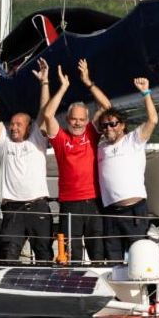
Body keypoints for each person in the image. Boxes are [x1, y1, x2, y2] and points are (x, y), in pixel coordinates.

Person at [40, 59, 112, 263]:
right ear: (68, 120)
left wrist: (88, 82)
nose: (78, 123)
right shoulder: (61, 138)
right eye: (73, 119)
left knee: (98, 253)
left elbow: (107, 106)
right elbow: (47, 113)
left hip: (94, 202)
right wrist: (63, 87)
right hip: (69, 204)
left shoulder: (92, 132)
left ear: (87, 120)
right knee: (73, 256)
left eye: (81, 119)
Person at [0, 62, 53, 262]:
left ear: (29, 128)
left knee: (44, 254)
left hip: (37, 207)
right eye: (12, 124)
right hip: (12, 210)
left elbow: (45, 111)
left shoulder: (37, 140)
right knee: (8, 256)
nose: (13, 127)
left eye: (18, 125)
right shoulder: (3, 143)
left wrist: (45, 82)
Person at [96, 76, 159, 260]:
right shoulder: (100, 146)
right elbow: (104, 108)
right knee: (112, 256)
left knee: (139, 255)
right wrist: (88, 84)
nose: (109, 128)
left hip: (134, 210)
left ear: (122, 125)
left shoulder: (133, 140)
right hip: (111, 212)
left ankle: (148, 289)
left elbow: (153, 119)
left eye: (113, 124)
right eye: (105, 125)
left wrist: (146, 92)